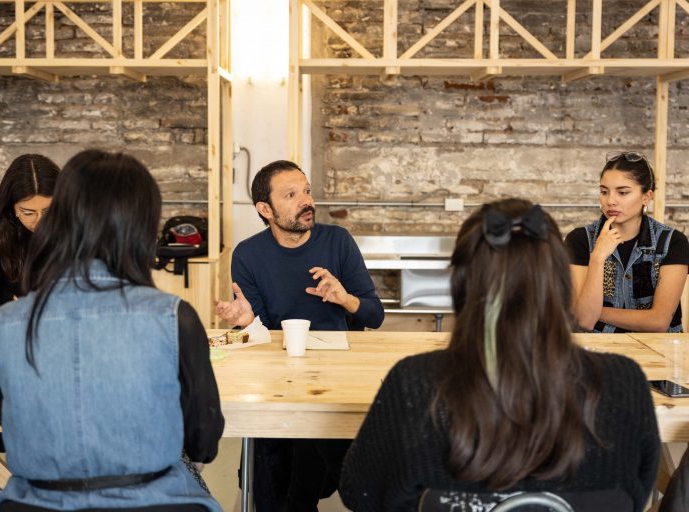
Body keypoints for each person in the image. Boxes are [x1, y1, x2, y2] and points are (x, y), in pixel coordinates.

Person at [339, 199, 660, 512]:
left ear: (462, 285)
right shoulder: (625, 383)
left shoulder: (414, 384)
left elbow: (359, 494)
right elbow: (640, 491)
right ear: (560, 284)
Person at [0, 150, 224, 512]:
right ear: (141, 229)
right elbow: (203, 434)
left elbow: (5, 417)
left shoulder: (2, 323)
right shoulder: (174, 317)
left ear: (59, 221)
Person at [215, 160, 384, 511]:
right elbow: (253, 339)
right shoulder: (248, 255)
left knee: (315, 461)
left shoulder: (338, 242)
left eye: (306, 191)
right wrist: (245, 322)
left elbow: (375, 315)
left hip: (337, 379)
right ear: (265, 209)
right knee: (279, 466)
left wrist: (346, 298)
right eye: (291, 195)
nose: (305, 201)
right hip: (277, 378)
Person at [565, 152, 689, 333]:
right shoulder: (580, 239)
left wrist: (596, 311)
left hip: (658, 353)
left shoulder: (672, 242)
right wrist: (598, 258)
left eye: (622, 192)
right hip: (599, 351)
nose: (610, 201)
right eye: (604, 191)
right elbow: (584, 321)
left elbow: (658, 322)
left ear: (646, 197)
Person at [0, 154, 60, 324]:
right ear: (12, 207)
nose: (40, 220)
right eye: (28, 212)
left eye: (48, 211)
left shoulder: (73, 228)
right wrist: (6, 318)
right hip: (10, 327)